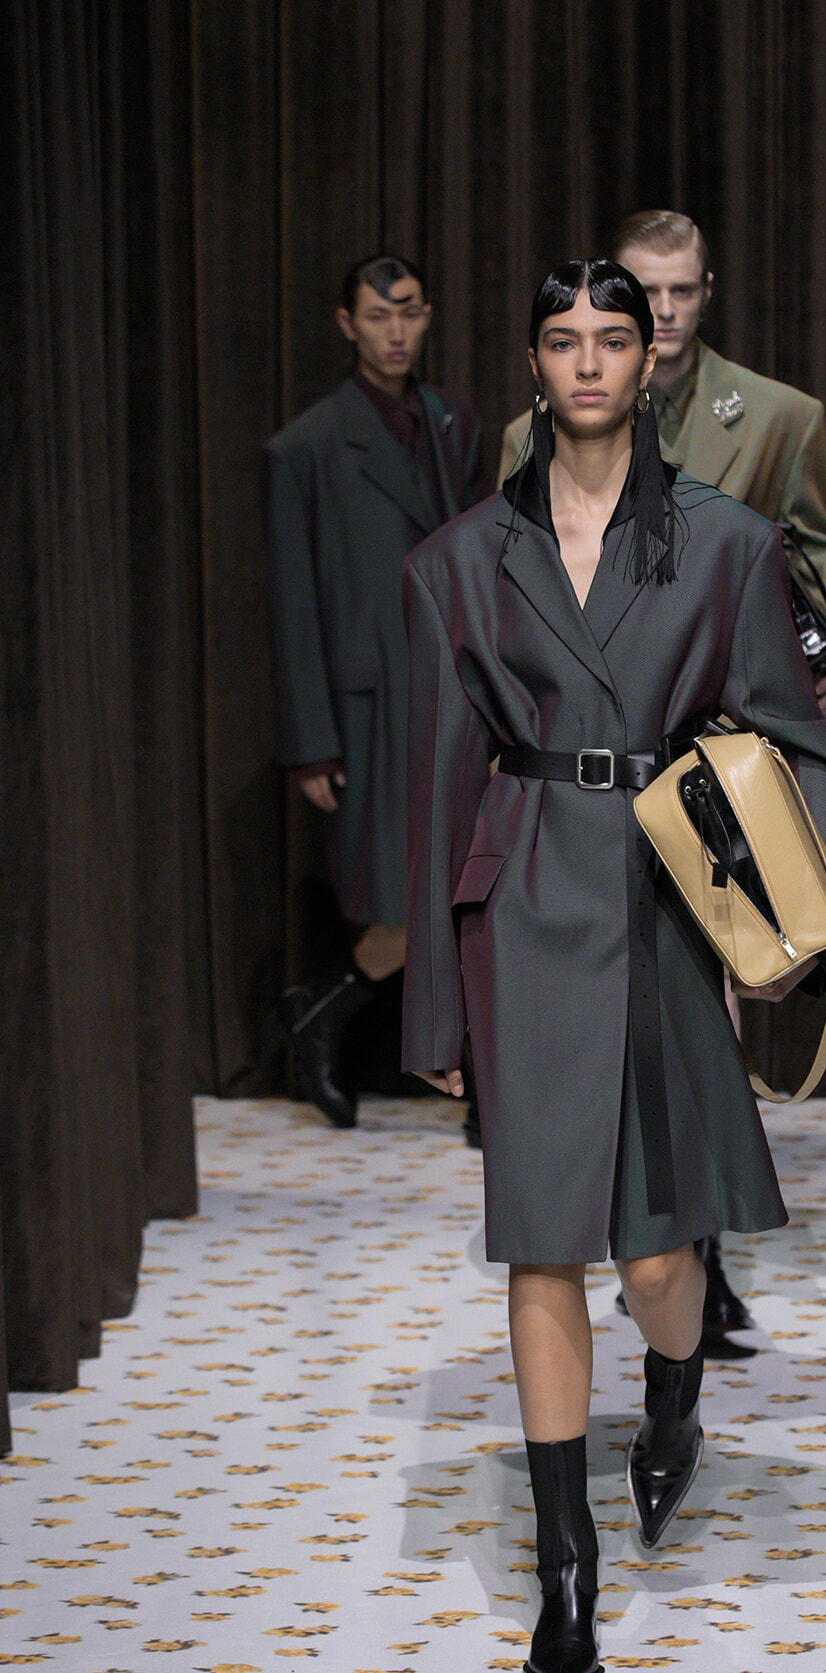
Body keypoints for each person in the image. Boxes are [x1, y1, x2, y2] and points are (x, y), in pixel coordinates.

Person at [396, 260, 826, 1673]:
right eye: (563, 340)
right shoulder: (461, 560)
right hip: (526, 894)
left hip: (664, 891)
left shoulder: (724, 547)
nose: (591, 361)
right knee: (543, 1242)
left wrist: (787, 901)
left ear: (650, 362)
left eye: (615, 336)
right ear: (535, 367)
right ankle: (567, 1575)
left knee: (659, 1260)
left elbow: (806, 737)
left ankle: (673, 1397)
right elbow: (430, 795)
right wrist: (433, 1005)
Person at [501, 211, 826, 1339]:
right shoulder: (544, 423)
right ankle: (668, 1254)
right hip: (586, 773)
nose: (661, 313)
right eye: (643, 293)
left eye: (681, 294)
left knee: (702, 1007)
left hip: (718, 757)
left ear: (708, 295)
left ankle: (689, 1257)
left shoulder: (771, 415)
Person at [265, 254, 482, 1129]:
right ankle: (325, 1012)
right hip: (372, 712)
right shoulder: (307, 446)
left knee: (475, 891)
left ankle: (333, 1015)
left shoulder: (455, 426)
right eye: (378, 316)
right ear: (347, 323)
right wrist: (310, 739)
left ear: (428, 318)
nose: (397, 332)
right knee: (408, 901)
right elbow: (292, 603)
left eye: (411, 313)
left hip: (460, 696)